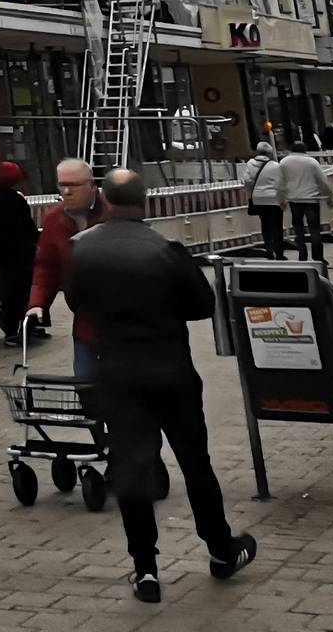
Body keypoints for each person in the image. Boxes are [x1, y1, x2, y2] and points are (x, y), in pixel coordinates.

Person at [69, 169, 259, 603]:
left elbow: (77, 301)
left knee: (133, 471)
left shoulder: (81, 250)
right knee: (196, 463)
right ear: (146, 202)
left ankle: (146, 570)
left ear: (103, 198)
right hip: (171, 372)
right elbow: (201, 305)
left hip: (117, 376)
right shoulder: (166, 250)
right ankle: (220, 549)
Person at [22, 158, 101, 375]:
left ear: (92, 186)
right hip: (83, 320)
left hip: (118, 318)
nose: (66, 191)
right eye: (62, 185)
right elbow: (46, 266)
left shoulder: (111, 213)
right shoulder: (54, 219)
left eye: (74, 185)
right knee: (85, 383)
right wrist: (37, 303)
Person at [0, 161, 37, 346]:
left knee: (10, 290)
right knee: (23, 290)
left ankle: (15, 323)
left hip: (1, 252)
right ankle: (15, 327)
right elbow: (27, 227)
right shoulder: (16, 200)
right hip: (21, 253)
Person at [271, 144, 333, 263]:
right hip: (311, 199)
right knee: (314, 229)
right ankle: (318, 256)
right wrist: (329, 196)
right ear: (305, 150)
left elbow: (279, 183)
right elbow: (322, 181)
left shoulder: (284, 162)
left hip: (294, 199)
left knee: (298, 229)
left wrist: (281, 199)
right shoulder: (312, 162)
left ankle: (302, 254)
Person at [237, 141, 287, 260]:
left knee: (265, 225)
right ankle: (279, 253)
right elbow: (281, 183)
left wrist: (251, 194)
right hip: (274, 199)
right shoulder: (275, 165)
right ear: (269, 153)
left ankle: (269, 250)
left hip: (258, 198)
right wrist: (283, 199)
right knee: (277, 226)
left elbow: (246, 181)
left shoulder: (250, 164)